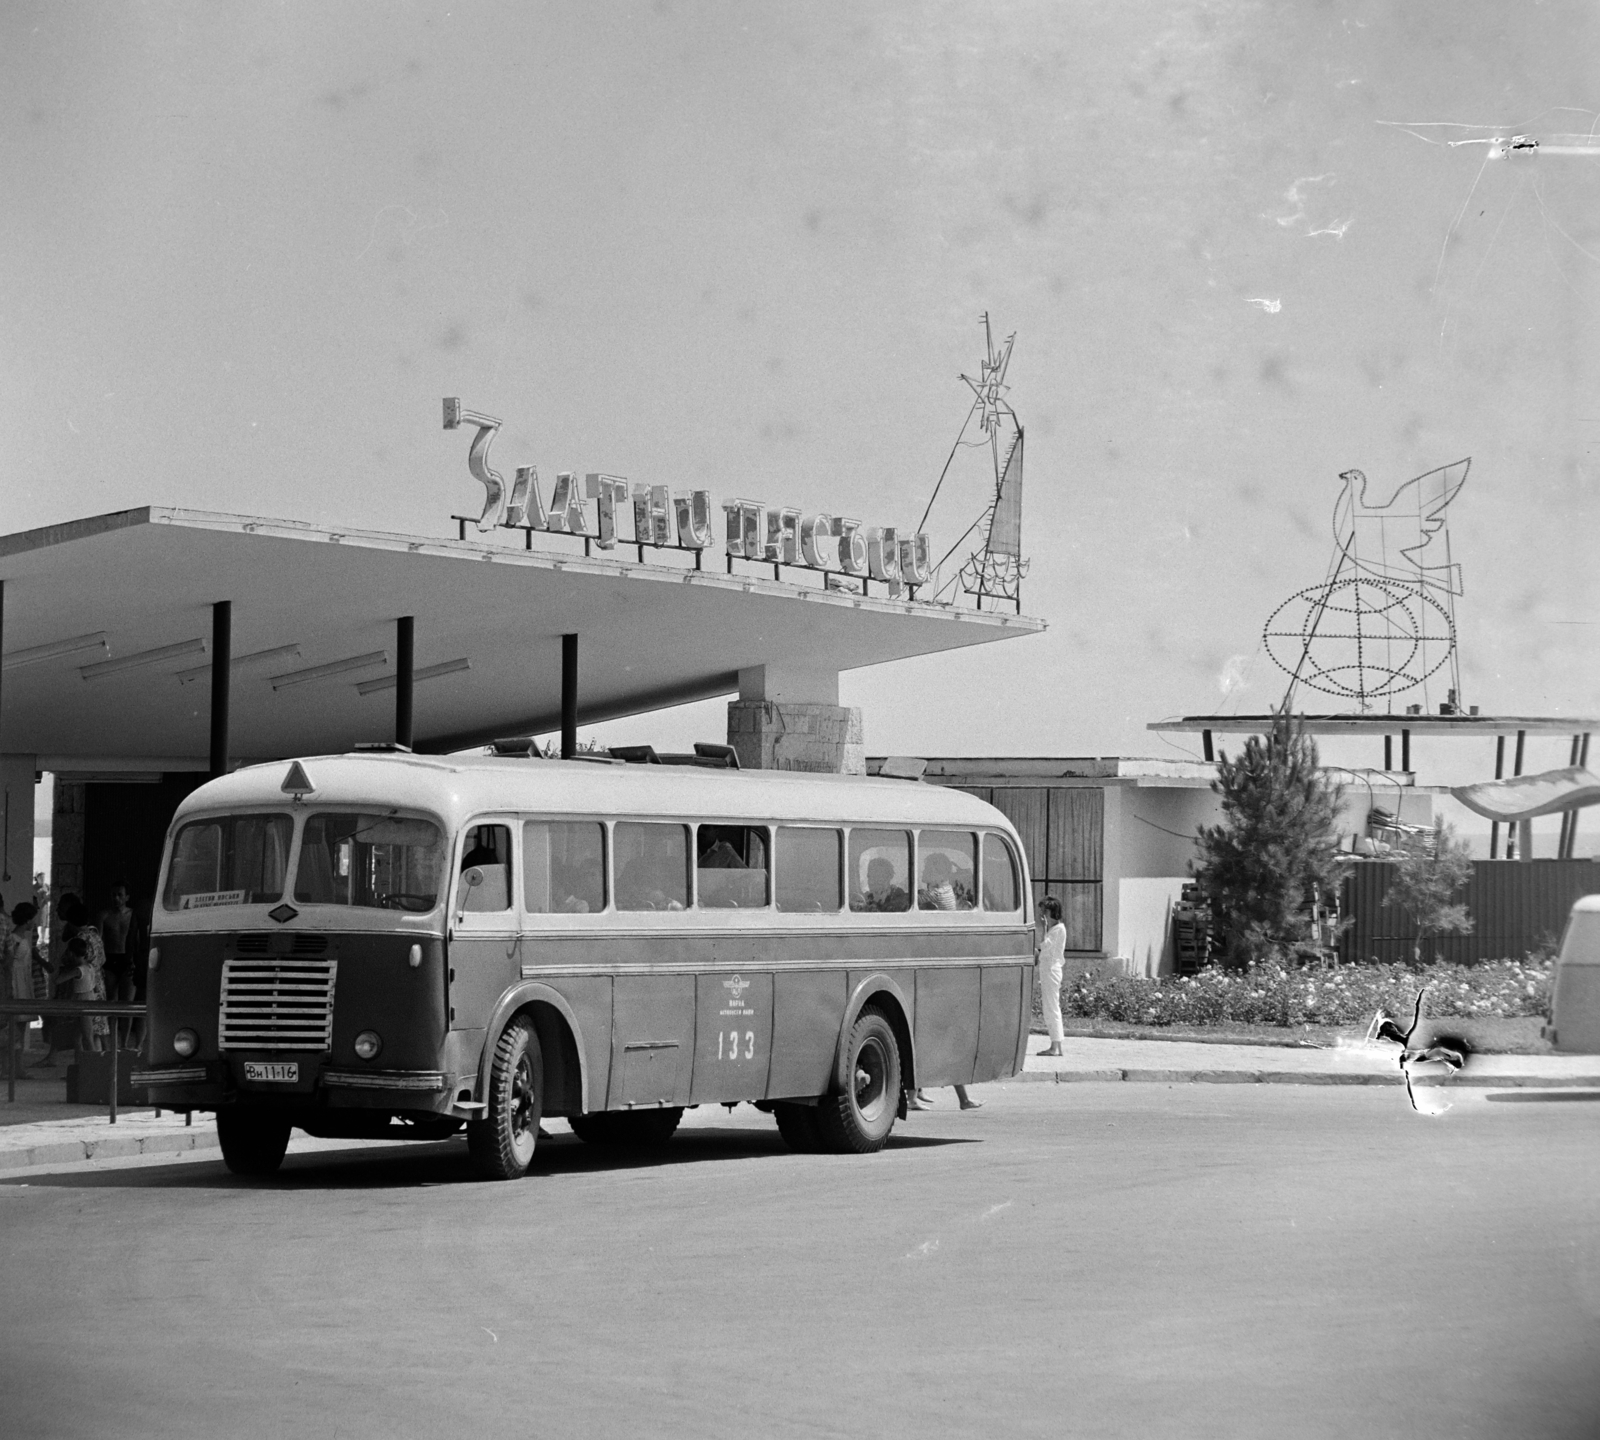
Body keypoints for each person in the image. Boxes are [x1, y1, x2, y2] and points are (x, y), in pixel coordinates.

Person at [1037, 894, 1066, 1057]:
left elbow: (1045, 946)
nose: (1042, 915)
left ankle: (1056, 1046)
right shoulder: (1054, 930)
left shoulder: (1058, 930)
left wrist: (1043, 928)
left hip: (1051, 971)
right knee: (1050, 1007)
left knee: (1051, 1007)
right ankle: (1056, 1045)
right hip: (1048, 969)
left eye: (1044, 911)